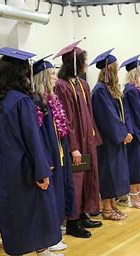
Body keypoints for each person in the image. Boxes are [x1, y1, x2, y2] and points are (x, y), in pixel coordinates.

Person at [0, 47, 63, 256]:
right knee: (32, 210)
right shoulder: (21, 101)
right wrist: (41, 170)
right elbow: (32, 138)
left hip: (0, 168)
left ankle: (42, 252)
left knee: (15, 211)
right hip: (23, 167)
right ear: (20, 73)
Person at [54, 41, 102, 238]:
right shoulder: (61, 86)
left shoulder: (83, 84)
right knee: (76, 179)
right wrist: (73, 147)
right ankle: (73, 221)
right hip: (76, 143)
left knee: (89, 177)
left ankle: (83, 213)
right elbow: (66, 120)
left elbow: (89, 114)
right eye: (84, 60)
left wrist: (94, 136)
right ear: (75, 63)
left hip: (88, 140)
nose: (86, 64)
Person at [32, 55, 75, 251]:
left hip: (60, 151)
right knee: (53, 194)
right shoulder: (37, 101)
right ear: (42, 77)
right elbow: (39, 134)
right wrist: (46, 158)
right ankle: (53, 234)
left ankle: (58, 228)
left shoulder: (52, 99)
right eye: (51, 74)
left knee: (63, 189)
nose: (55, 77)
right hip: (50, 154)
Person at [90, 49, 131, 219]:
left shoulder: (111, 89)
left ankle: (113, 205)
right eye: (116, 67)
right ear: (109, 70)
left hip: (116, 139)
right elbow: (107, 117)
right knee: (109, 174)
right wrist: (122, 134)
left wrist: (126, 131)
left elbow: (122, 112)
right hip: (107, 141)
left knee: (117, 174)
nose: (118, 71)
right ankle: (106, 208)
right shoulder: (100, 90)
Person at [120, 55, 140, 209]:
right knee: (136, 166)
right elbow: (139, 114)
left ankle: (138, 194)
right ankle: (133, 197)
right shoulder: (131, 90)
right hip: (137, 134)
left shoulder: (137, 89)